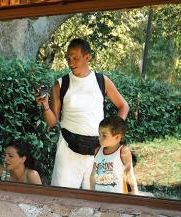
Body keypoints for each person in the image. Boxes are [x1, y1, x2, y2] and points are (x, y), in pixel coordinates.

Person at [36, 38, 129, 189]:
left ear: (87, 57)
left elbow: (123, 106)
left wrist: (113, 133)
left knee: (96, 200)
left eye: (75, 58)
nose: (71, 62)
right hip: (67, 150)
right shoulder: (61, 84)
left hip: (97, 151)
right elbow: (52, 122)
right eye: (68, 58)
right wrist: (45, 105)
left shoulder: (101, 81)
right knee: (62, 198)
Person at [90, 115, 139, 195]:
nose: (99, 138)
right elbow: (93, 174)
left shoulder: (123, 151)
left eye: (104, 135)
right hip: (99, 196)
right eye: (99, 134)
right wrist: (92, 192)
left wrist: (135, 193)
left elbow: (129, 173)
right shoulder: (97, 151)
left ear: (117, 137)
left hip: (118, 198)